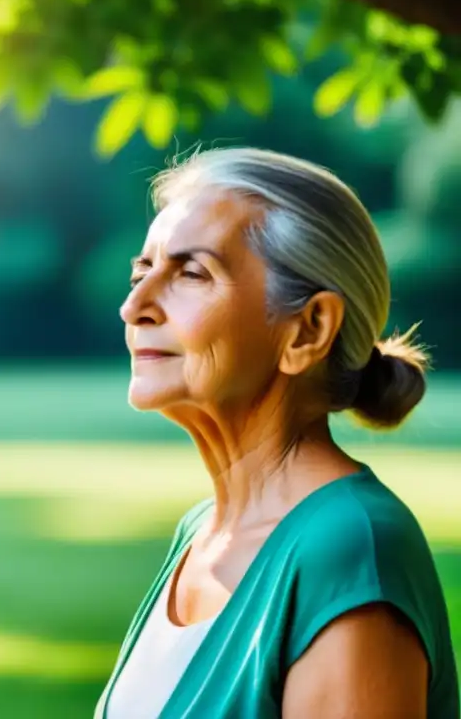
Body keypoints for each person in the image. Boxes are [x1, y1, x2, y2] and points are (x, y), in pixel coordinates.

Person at [95, 147, 459, 718]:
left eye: (191, 273)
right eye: (142, 271)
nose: (133, 305)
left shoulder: (350, 547)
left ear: (307, 331)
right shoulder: (199, 533)